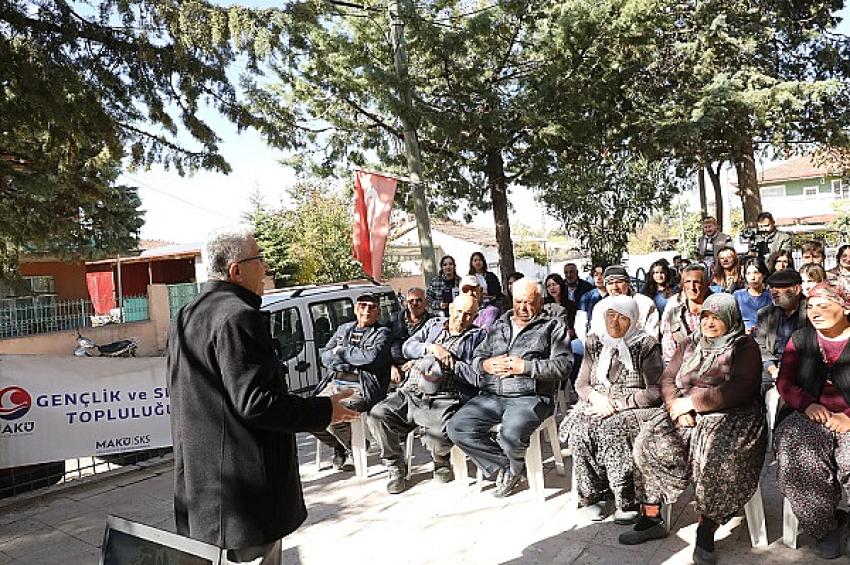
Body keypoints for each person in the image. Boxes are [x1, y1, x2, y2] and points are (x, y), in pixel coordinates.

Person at [168, 227, 358, 564]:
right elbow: (257, 403)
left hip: (202, 492)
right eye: (259, 259)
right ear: (235, 269)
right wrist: (324, 409)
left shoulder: (187, 314)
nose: (266, 268)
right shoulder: (239, 316)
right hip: (243, 500)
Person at [619, 293, 766, 565]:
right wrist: (675, 405)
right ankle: (651, 516)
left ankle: (706, 529)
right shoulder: (689, 343)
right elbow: (667, 379)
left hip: (734, 415)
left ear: (730, 318)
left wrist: (693, 404)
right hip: (685, 410)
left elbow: (741, 388)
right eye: (705, 316)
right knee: (648, 442)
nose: (710, 322)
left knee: (714, 457)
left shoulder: (744, 346)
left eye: (717, 317)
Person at [447, 278, 573, 498]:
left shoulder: (552, 327)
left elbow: (563, 366)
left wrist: (525, 367)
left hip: (531, 396)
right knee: (457, 427)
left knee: (511, 434)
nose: (523, 308)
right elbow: (478, 357)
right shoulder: (500, 324)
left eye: (529, 302)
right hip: (491, 395)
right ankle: (509, 466)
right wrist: (486, 364)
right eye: (518, 301)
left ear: (540, 301)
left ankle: (512, 467)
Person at [559, 296, 663, 524]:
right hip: (599, 403)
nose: (615, 322)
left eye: (623, 317)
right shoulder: (595, 342)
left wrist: (617, 404)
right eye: (611, 315)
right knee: (579, 430)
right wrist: (596, 398)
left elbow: (655, 393)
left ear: (634, 320)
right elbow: (581, 385)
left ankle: (626, 500)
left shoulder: (646, 346)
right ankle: (592, 495)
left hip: (636, 406)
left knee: (612, 430)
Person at [369, 294, 485, 494]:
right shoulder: (434, 325)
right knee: (378, 414)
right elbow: (407, 347)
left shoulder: (478, 337)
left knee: (439, 438)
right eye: (459, 312)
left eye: (469, 314)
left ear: (475, 316)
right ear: (450, 309)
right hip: (412, 389)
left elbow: (478, 377)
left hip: (445, 394)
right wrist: (432, 348)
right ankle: (395, 465)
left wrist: (452, 364)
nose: (462, 318)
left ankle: (440, 459)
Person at [774, 278, 850, 559]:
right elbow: (785, 383)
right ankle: (825, 525)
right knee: (797, 451)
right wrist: (806, 405)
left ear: (845, 307)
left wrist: (848, 419)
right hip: (809, 416)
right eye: (811, 306)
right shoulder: (800, 340)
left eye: (823, 305)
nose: (815, 311)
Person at [312, 292, 392, 471]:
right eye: (363, 306)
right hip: (335, 384)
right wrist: (350, 360)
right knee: (309, 414)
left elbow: (370, 358)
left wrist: (341, 352)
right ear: (356, 309)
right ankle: (343, 446)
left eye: (372, 307)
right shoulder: (343, 329)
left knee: (337, 413)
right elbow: (325, 356)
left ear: (378, 312)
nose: (366, 310)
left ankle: (351, 447)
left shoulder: (383, 333)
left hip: (362, 388)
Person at [754, 269, 809, 394]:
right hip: (772, 366)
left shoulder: (812, 311)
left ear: (796, 289)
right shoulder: (765, 314)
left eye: (779, 287)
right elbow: (760, 346)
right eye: (771, 287)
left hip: (803, 367)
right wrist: (773, 369)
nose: (773, 291)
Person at [660, 264, 711, 363]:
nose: (692, 287)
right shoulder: (672, 315)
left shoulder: (718, 311)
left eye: (696, 282)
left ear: (706, 284)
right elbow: (669, 355)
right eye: (688, 282)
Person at [593, 266, 659, 340]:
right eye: (610, 283)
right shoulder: (600, 307)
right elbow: (597, 333)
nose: (615, 287)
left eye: (619, 282)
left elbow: (652, 335)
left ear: (628, 283)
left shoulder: (645, 303)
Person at [388, 288, 433, 386]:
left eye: (419, 300)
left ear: (426, 302)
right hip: (395, 371)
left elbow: (435, 348)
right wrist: (390, 367)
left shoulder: (433, 323)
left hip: (421, 371)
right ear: (405, 303)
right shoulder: (394, 320)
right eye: (411, 301)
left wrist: (416, 362)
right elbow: (384, 346)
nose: (415, 304)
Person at [733, 258, 771, 333]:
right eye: (748, 273)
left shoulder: (771, 296)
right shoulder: (738, 295)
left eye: (756, 273)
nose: (752, 277)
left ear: (764, 275)